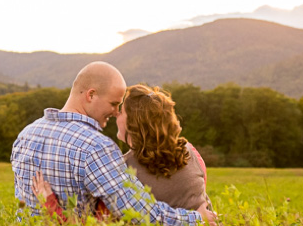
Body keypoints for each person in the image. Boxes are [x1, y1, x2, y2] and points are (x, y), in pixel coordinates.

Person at [10, 61, 215, 226]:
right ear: (91, 95)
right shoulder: (95, 147)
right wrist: (195, 220)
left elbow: (24, 204)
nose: (115, 112)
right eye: (113, 103)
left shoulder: (25, 135)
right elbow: (136, 211)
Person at [34, 83, 212, 219]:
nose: (115, 114)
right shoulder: (190, 151)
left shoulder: (122, 168)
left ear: (133, 125)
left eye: (122, 111)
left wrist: (50, 203)